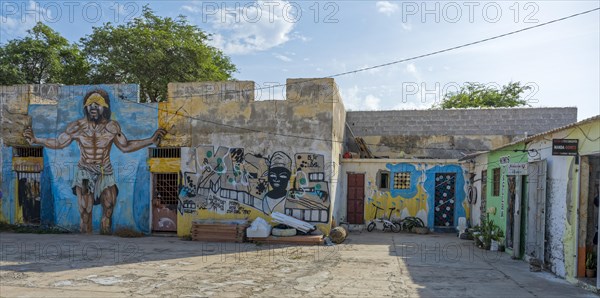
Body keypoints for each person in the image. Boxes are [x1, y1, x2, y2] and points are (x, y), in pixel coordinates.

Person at [23, 89, 166, 234]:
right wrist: (36, 140)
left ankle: (106, 240)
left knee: (109, 207)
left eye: (97, 104)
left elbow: (125, 146)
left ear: (105, 108)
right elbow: (59, 143)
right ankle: (85, 240)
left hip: (105, 171)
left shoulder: (112, 127)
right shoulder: (77, 127)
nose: (93, 107)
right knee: (85, 209)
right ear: (85, 107)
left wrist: (150, 140)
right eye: (90, 104)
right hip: (85, 171)